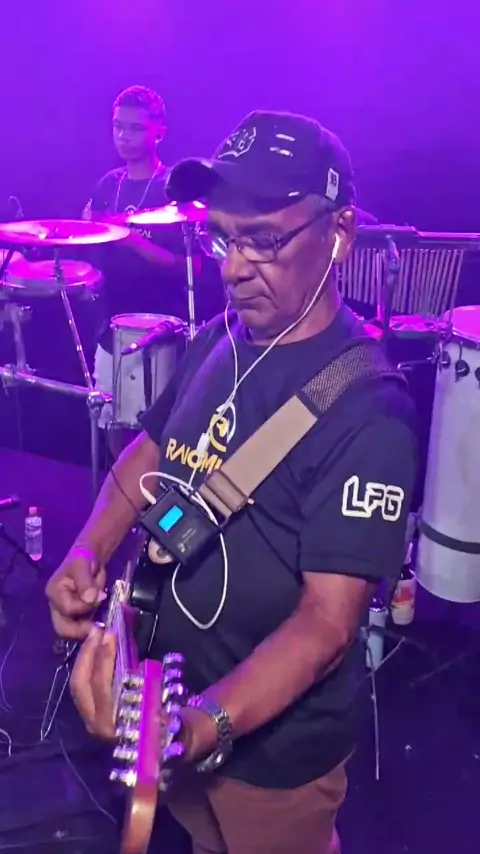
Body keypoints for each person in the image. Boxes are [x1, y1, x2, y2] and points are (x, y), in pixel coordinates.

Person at [46, 110, 417, 854]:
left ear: (340, 234)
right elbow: (150, 451)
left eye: (264, 240)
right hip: (172, 698)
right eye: (222, 237)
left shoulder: (370, 413)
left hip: (270, 761)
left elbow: (327, 625)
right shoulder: (221, 337)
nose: (234, 266)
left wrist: (202, 722)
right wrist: (87, 551)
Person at [83, 86, 195, 449]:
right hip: (111, 324)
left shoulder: (172, 188)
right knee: (112, 424)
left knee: (156, 434)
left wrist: (129, 238)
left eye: (134, 128)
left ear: (158, 132)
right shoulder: (107, 185)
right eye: (118, 126)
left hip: (160, 327)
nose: (123, 136)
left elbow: (188, 266)